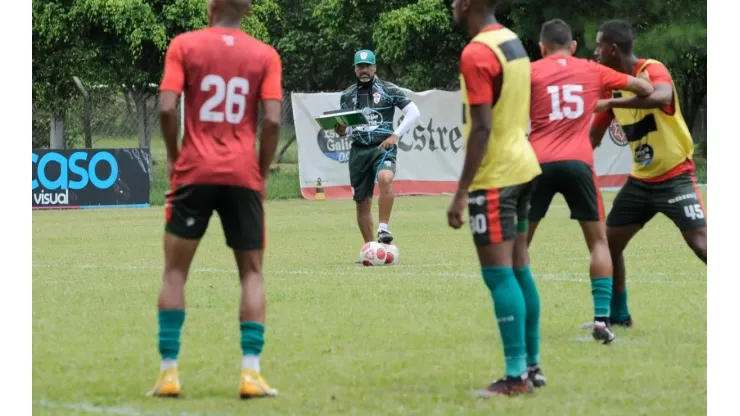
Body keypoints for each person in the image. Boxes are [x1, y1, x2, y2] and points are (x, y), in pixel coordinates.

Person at [148, 0, 282, 399]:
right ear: (248, 9)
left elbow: (168, 107)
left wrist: (175, 156)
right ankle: (250, 373)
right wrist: (260, 168)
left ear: (212, 5)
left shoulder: (184, 45)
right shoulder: (265, 54)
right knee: (252, 274)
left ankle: (169, 372)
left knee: (175, 273)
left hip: (194, 172)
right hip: (242, 173)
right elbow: (273, 119)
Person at [527, 19, 654, 344]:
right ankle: (601, 320)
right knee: (598, 243)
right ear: (572, 46)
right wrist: (608, 100)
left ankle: (525, 318)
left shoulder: (531, 71)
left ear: (542, 47)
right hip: (579, 162)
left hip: (537, 161)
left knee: (519, 244)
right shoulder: (591, 69)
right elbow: (645, 89)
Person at [448, 0, 543, 397]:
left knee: (498, 274)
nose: (451, 5)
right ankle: (532, 367)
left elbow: (482, 127)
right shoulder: (513, 41)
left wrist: (461, 190)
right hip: (525, 166)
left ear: (469, 3)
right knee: (520, 269)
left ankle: (515, 376)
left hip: (497, 176)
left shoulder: (477, 52)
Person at [590, 19, 707, 328]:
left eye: (599, 46)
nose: (595, 52)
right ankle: (619, 316)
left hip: (676, 176)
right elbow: (592, 138)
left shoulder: (652, 69)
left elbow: (662, 97)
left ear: (613, 49)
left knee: (701, 244)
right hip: (640, 184)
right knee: (609, 245)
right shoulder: (611, 89)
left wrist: (609, 100)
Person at [334, 50, 421, 246]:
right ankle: (371, 247)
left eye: (367, 66)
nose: (363, 70)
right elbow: (347, 128)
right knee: (362, 201)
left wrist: (395, 135)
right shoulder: (347, 95)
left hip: (383, 146)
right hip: (358, 150)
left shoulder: (388, 89)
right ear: (355, 69)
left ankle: (383, 228)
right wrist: (341, 130)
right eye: (359, 66)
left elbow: (413, 113)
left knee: (385, 178)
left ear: (374, 67)